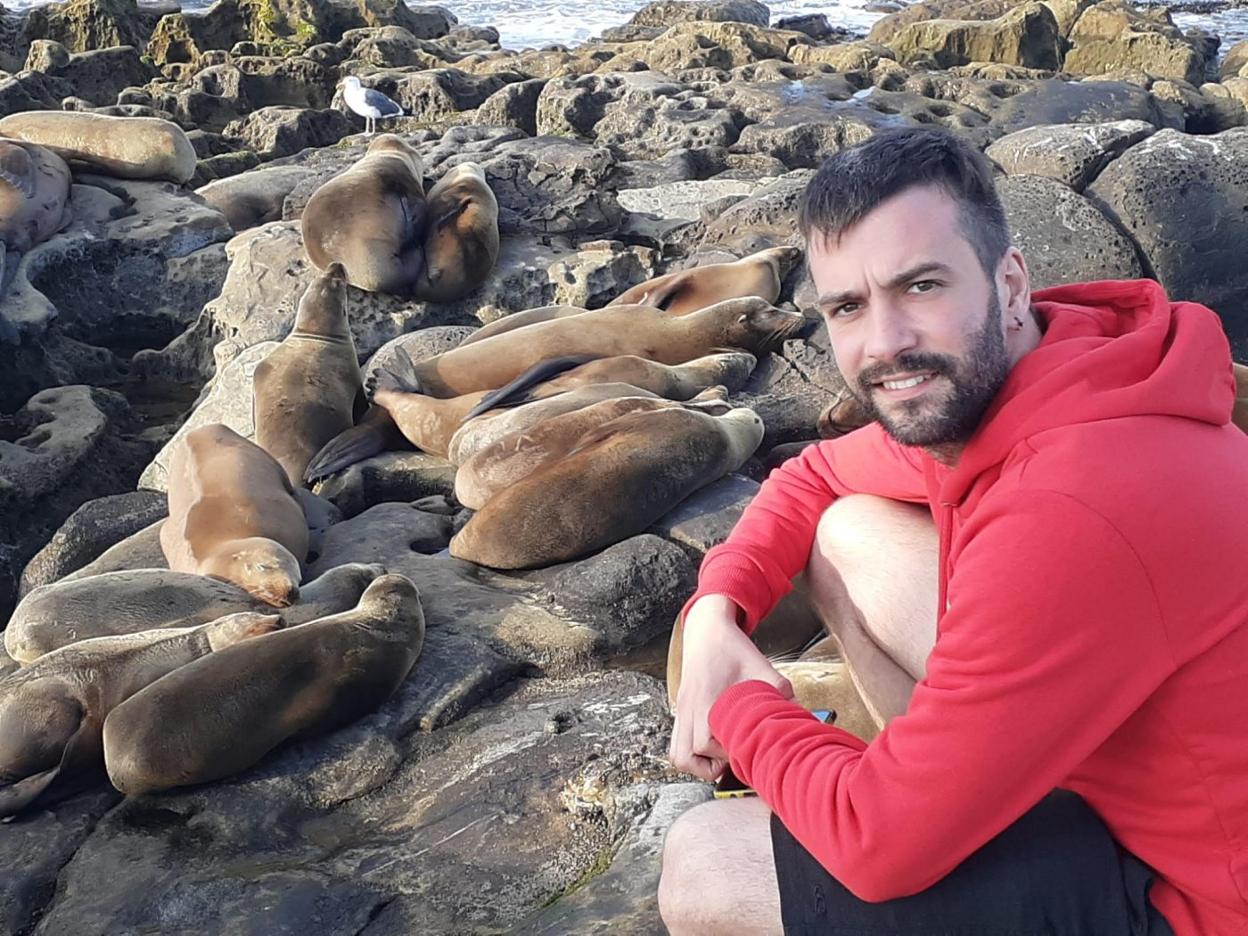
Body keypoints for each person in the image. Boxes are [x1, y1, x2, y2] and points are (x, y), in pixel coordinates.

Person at [658, 127, 1248, 936]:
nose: (885, 342)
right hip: (1149, 780)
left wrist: (741, 703)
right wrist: (720, 609)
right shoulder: (1053, 378)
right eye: (848, 307)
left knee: (707, 862)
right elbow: (812, 476)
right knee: (848, 530)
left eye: (922, 286)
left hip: (1198, 898)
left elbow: (875, 847)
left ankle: (937, 798)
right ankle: (949, 788)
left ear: (1009, 284)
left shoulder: (1074, 500)